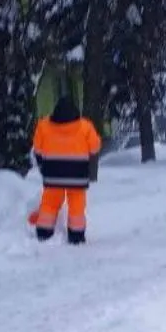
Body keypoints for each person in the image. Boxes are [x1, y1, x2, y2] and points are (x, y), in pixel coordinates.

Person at [32, 95, 101, 244]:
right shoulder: (85, 126)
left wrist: (43, 165)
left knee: (49, 203)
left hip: (52, 174)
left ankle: (44, 232)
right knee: (77, 205)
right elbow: (95, 147)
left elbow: (37, 149)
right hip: (77, 175)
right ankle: (76, 236)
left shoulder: (43, 126)